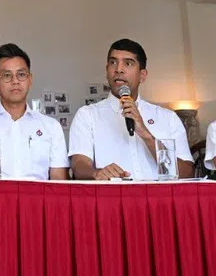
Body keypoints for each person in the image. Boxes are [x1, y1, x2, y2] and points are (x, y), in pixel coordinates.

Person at [69, 39, 193, 180]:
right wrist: (96, 173)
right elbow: (79, 165)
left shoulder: (168, 118)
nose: (118, 69)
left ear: (142, 75)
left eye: (128, 63)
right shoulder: (87, 115)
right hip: (111, 193)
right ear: (107, 71)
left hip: (158, 194)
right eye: (113, 62)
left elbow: (187, 173)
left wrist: (147, 136)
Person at [0, 43, 68, 180]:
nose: (15, 81)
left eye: (21, 74)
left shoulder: (51, 127)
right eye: (7, 75)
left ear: (30, 79)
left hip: (37, 195)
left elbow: (59, 184)